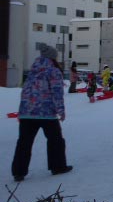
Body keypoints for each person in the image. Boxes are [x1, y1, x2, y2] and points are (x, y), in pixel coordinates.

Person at [11, 45, 73, 182]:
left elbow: (25, 93)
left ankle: (18, 172)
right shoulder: (53, 71)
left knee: (24, 142)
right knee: (55, 140)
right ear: (53, 57)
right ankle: (57, 166)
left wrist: (21, 113)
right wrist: (61, 111)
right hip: (46, 113)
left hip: (27, 113)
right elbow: (57, 92)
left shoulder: (33, 71)